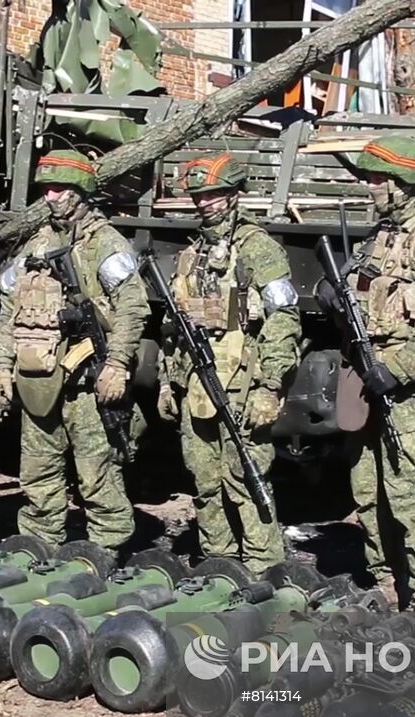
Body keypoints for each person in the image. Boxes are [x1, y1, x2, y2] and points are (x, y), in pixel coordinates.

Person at [329, 136, 415, 605]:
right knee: (366, 486)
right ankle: (385, 580)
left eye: (376, 178)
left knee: (410, 491)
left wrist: (400, 367)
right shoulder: (383, 232)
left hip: (404, 386)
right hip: (365, 375)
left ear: (401, 183)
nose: (369, 186)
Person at [0, 150, 148, 550]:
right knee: (37, 473)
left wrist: (116, 364)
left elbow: (132, 306)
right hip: (40, 380)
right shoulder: (36, 245)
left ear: (80, 193)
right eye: (46, 189)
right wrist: (1, 367)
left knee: (97, 474)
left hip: (85, 385)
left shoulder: (105, 244)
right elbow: (11, 308)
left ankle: (106, 550)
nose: (51, 196)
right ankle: (38, 547)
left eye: (59, 188)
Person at [157, 152, 300, 574]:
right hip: (196, 383)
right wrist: (168, 382)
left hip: (242, 384)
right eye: (199, 196)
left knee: (245, 477)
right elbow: (173, 330)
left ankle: (263, 568)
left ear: (235, 195)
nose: (205, 203)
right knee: (203, 481)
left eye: (215, 195)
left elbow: (284, 318)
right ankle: (218, 565)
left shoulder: (259, 248)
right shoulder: (190, 255)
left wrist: (270, 387)